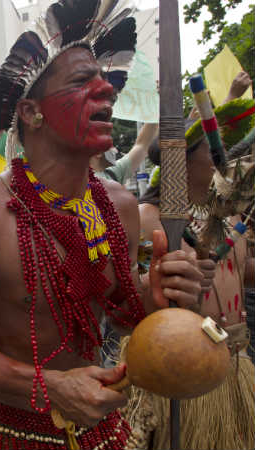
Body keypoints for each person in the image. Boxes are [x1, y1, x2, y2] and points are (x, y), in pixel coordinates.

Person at [0, 2, 205, 449]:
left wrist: (156, 295)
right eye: (82, 81)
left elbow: (120, 308)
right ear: (30, 111)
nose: (107, 91)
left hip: (101, 428)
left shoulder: (120, 205)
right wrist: (51, 387)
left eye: (107, 81)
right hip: (8, 433)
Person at [126, 102, 255, 450]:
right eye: (213, 149)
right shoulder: (148, 219)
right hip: (180, 368)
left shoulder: (231, 221)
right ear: (181, 159)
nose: (223, 155)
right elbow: (132, 301)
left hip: (236, 366)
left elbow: (243, 275)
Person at [90, 122, 158, 184]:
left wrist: (153, 116)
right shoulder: (83, 184)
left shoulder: (112, 173)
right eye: (111, 147)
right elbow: (142, 145)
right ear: (98, 153)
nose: (115, 151)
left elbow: (142, 145)